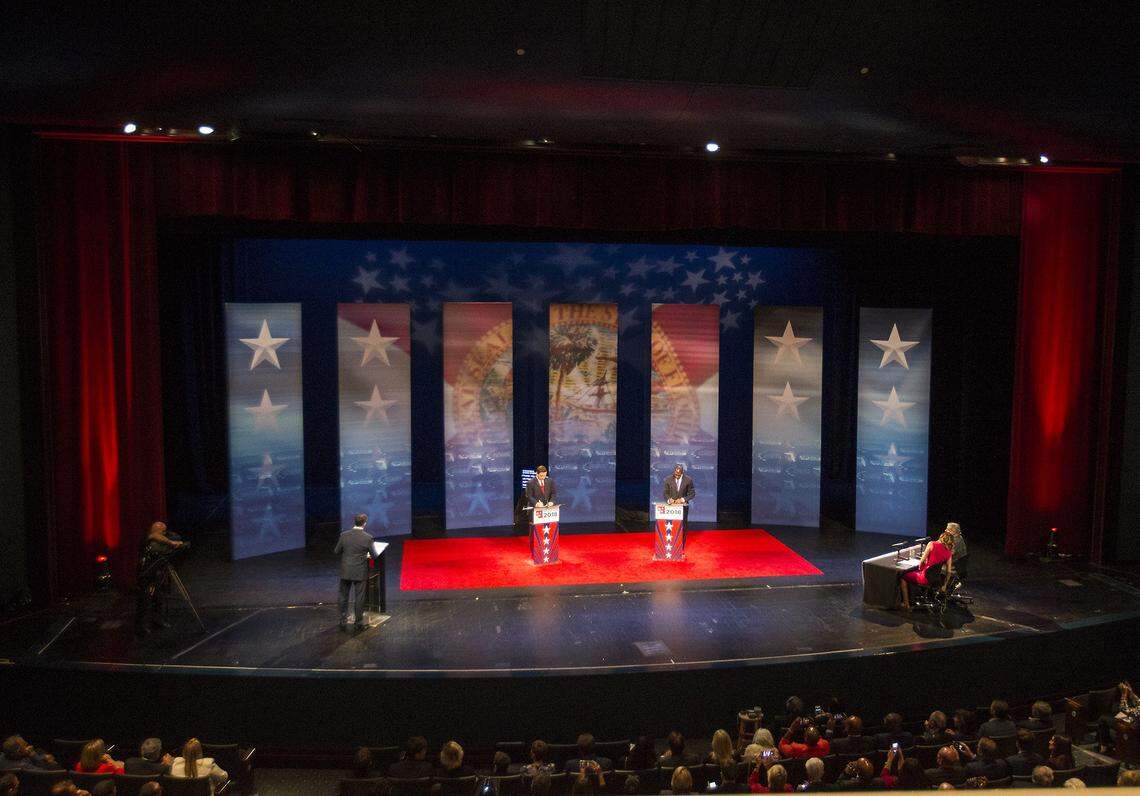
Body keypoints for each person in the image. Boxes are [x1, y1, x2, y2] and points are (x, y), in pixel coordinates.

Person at [135, 521, 186, 635]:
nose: (164, 534)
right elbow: (155, 536)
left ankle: (158, 620)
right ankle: (141, 626)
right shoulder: (147, 537)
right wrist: (172, 543)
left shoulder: (157, 543)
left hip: (156, 573)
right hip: (146, 574)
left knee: (159, 598)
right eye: (162, 531)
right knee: (145, 600)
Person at [335, 513, 375, 631]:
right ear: (365, 523)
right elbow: (373, 555)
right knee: (359, 597)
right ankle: (359, 622)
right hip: (359, 571)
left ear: (354, 522)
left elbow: (337, 551)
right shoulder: (368, 537)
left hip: (346, 570)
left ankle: (342, 620)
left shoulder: (344, 535)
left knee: (343, 596)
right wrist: (366, 554)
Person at [898, 530, 954, 610]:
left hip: (924, 577)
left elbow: (921, 562)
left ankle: (906, 604)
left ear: (941, 537)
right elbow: (949, 571)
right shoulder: (949, 553)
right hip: (936, 579)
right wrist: (944, 585)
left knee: (903, 577)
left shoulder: (932, 544)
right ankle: (914, 597)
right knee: (913, 575)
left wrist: (921, 569)